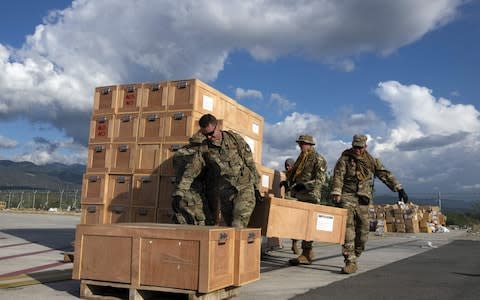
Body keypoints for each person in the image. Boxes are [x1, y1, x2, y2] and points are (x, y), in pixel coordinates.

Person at [331, 134, 409, 274]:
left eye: (360, 148)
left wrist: (399, 188)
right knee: (348, 229)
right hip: (347, 196)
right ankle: (350, 260)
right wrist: (337, 193)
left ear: (365, 147)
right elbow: (338, 176)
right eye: (355, 147)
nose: (357, 150)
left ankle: (356, 253)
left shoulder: (371, 161)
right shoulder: (345, 159)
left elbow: (384, 174)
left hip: (364, 199)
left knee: (363, 232)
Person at [173, 113, 261, 228]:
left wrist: (256, 187)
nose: (209, 137)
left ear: (218, 127)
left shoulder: (235, 139)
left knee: (237, 225)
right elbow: (190, 172)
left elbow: (250, 163)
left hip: (244, 188)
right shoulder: (204, 149)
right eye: (205, 135)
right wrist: (179, 193)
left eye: (211, 133)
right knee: (229, 228)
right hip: (225, 193)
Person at [286, 135, 327, 265]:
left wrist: (305, 185)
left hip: (311, 196)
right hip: (300, 195)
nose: (301, 146)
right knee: (300, 225)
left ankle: (306, 253)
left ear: (310, 145)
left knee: (308, 225)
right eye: (300, 143)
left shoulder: (318, 159)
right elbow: (294, 174)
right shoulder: (301, 158)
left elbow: (320, 180)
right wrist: (287, 181)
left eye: (303, 143)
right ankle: (307, 252)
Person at [171, 131, 214, 225]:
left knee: (181, 224)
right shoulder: (199, 154)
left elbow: (176, 169)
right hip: (194, 195)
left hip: (180, 193)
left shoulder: (180, 152)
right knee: (200, 225)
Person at [280, 158, 300, 254]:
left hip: (296, 202)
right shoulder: (285, 175)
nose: (287, 167)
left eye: (289, 165)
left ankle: (294, 243)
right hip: (287, 202)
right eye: (286, 165)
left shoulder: (297, 175)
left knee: (296, 226)